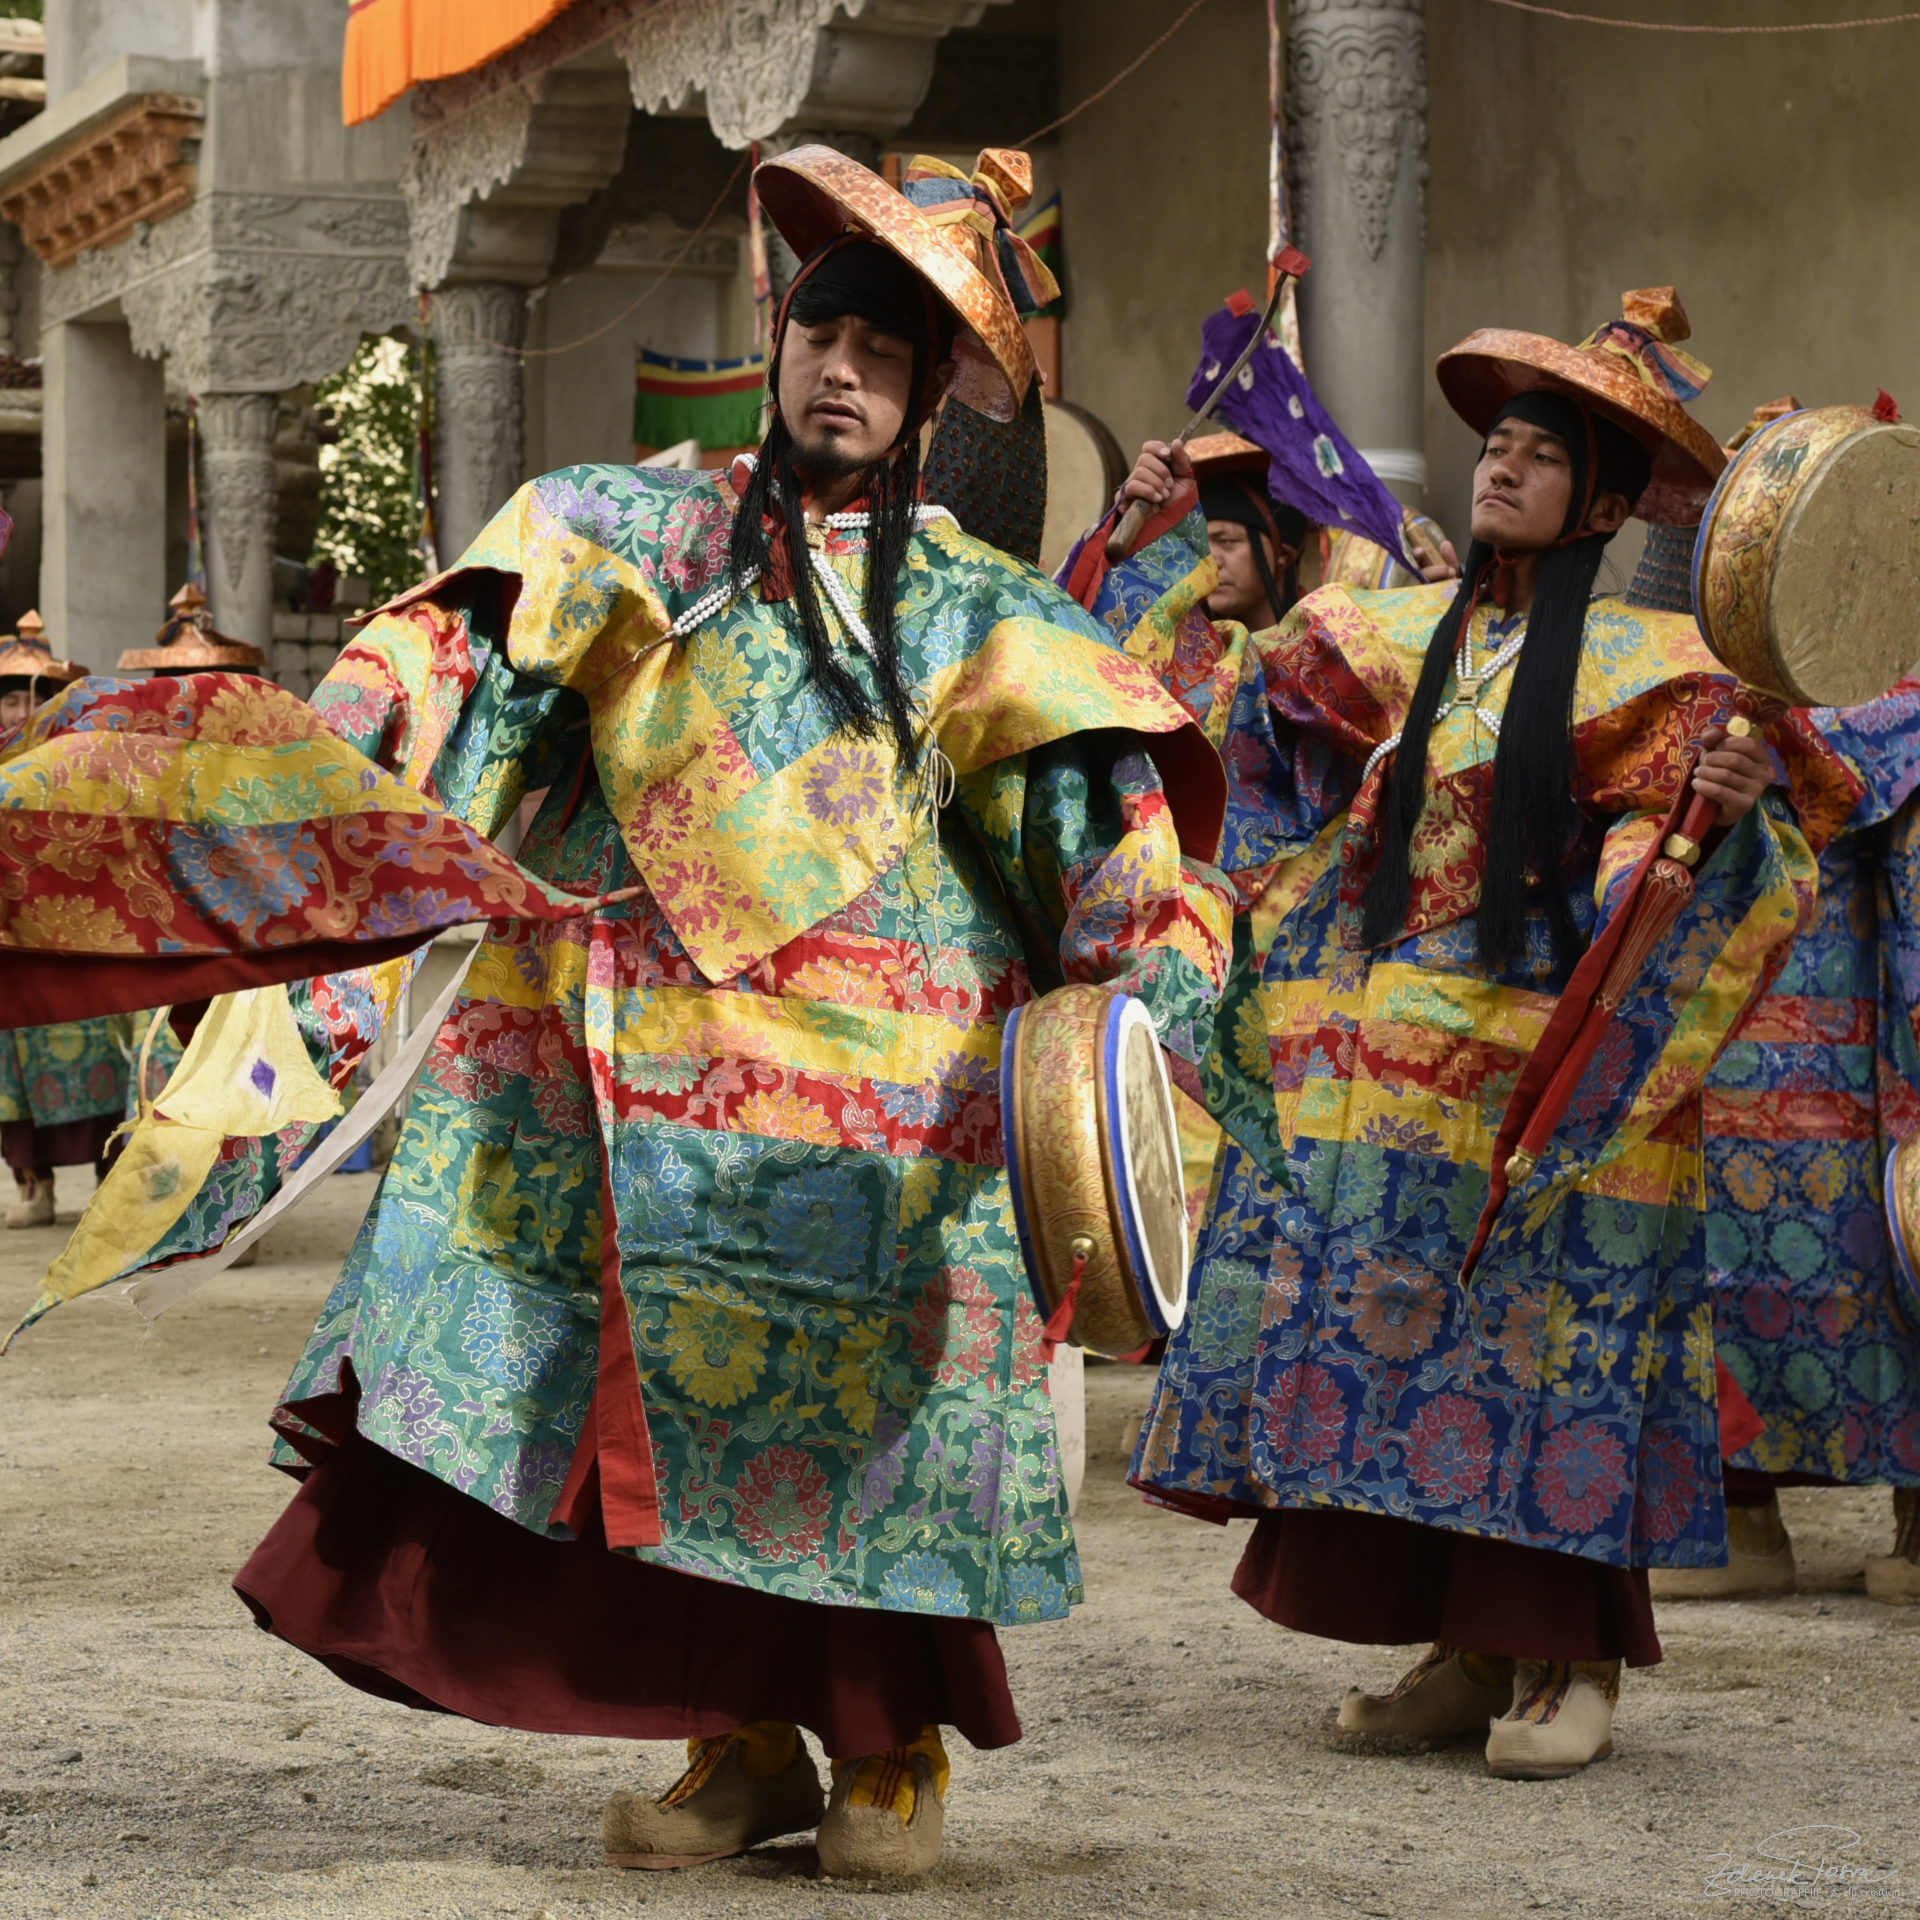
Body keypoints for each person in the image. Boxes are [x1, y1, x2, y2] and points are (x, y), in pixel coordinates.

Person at [0, 145, 1231, 1878]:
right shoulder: (624, 530)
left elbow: (1115, 860)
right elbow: (443, 678)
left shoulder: (987, 617)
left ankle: (889, 1755)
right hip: (621, 1075)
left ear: (935, 393)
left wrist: (1127, 1037)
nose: (840, 369)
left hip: (884, 1113)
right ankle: (740, 1746)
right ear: (777, 335)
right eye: (822, 331)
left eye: (884, 351)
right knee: (629, 1415)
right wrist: (299, 758)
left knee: (854, 1419)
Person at [1129, 288, 1857, 1779]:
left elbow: (1689, 878)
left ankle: (1570, 1657)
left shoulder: (1656, 666)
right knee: (1413, 1358)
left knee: (1555, 1356)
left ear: (1600, 499)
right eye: (1497, 443)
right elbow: (1253, 748)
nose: (1505, 465)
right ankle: (1460, 1649)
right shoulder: (1389, 638)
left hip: (1556, 1078)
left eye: (1542, 452)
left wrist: (1698, 824)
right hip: (1389, 1079)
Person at [1625, 401, 1920, 1608]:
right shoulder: (1698, 673)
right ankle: (1741, 1514)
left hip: (1854, 1023)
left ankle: (1915, 1513)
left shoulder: (1898, 683)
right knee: (1721, 1261)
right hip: (1729, 1023)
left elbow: (1868, 790)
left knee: (1879, 1256)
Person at [0, 613, 130, 1229]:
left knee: (106, 1058)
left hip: (75, 932)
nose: (13, 712)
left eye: (26, 700)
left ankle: (112, 1181)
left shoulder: (83, 763)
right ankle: (34, 1186)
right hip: (7, 938)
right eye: (5, 699)